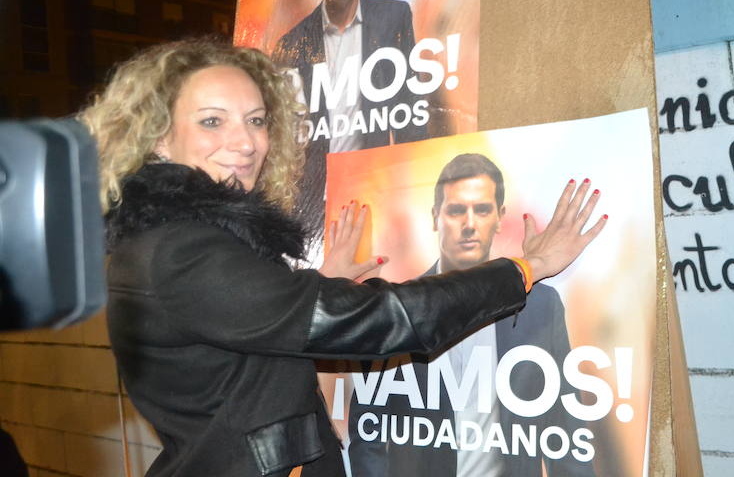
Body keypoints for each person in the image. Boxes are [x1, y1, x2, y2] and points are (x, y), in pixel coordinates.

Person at [79, 39, 607, 477]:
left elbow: (241, 356)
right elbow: (387, 322)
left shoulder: (173, 238)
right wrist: (524, 268)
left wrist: (320, 287)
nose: (245, 143)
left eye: (257, 120)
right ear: (159, 139)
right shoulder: (183, 249)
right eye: (213, 122)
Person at [348, 154, 596, 477]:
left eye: (481, 210)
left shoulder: (541, 307)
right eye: (456, 210)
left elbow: (565, 433)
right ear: (436, 217)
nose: (469, 224)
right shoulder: (400, 307)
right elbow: (369, 435)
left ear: (499, 217)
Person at [272, 0, 425, 253]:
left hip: (374, 183)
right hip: (315, 196)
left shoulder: (393, 18)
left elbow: (409, 105)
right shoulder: (292, 43)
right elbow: (285, 133)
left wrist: (408, 180)